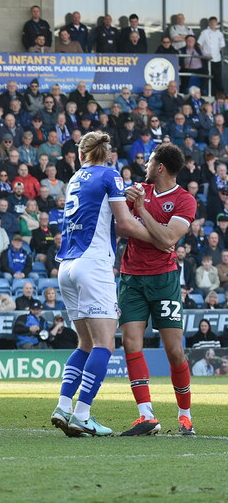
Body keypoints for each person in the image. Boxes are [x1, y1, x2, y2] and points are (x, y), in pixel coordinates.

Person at [50, 132, 157, 438]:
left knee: (84, 343)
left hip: (66, 266)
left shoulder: (75, 178)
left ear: (81, 153)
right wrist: (157, 238)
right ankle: (81, 414)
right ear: (109, 154)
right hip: (93, 263)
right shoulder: (110, 174)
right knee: (104, 344)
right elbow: (123, 224)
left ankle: (62, 406)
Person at [116, 143, 197, 437]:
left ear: (160, 167)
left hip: (164, 279)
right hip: (131, 277)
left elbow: (170, 237)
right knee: (130, 343)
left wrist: (141, 212)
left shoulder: (184, 200)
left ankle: (185, 415)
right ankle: (146, 415)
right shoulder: (137, 189)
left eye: (149, 161)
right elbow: (121, 228)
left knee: (175, 351)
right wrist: (159, 236)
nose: (145, 165)